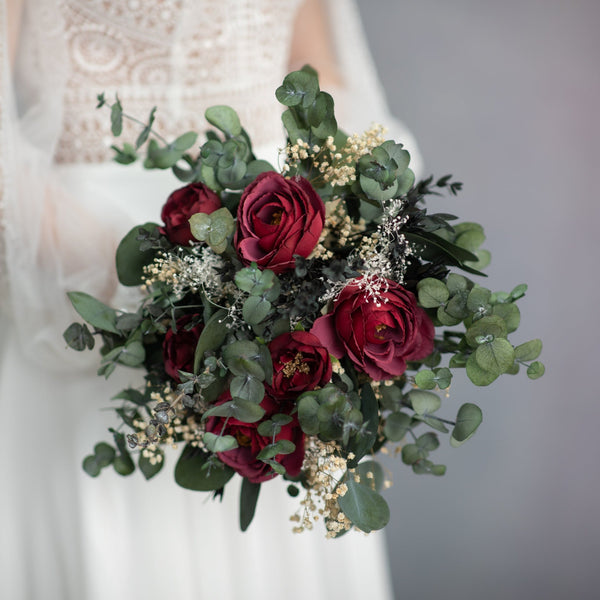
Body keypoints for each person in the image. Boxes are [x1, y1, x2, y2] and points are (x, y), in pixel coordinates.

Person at [0, 1, 421, 598]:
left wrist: (340, 243)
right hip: (79, 268)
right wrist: (148, 283)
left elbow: (318, 73)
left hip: (284, 260)